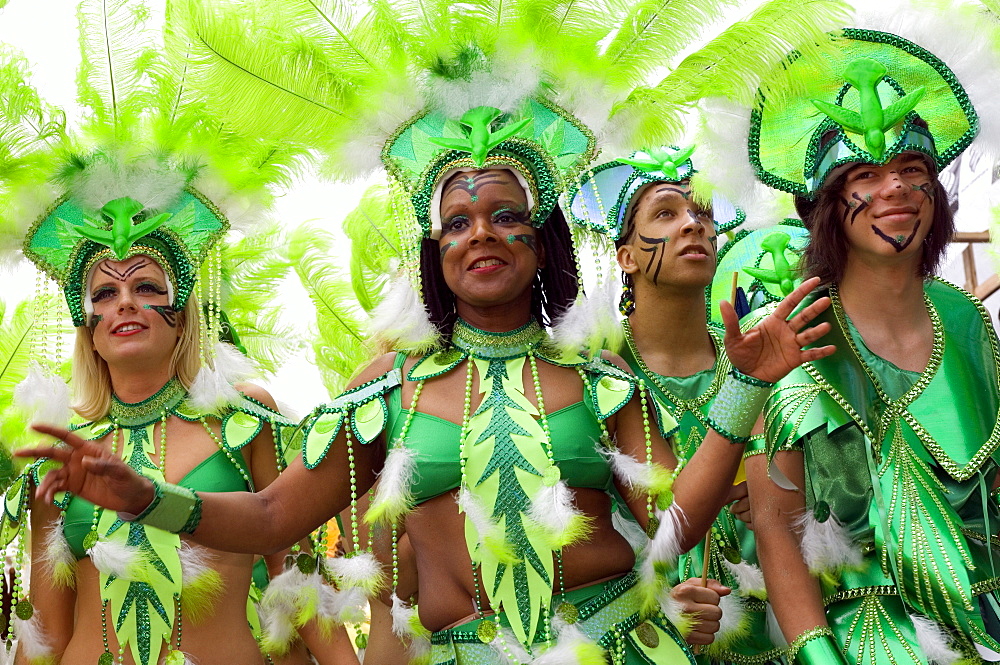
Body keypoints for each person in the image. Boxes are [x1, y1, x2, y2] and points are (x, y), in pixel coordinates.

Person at [21, 84, 836, 665]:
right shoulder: (388, 393)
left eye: (505, 213)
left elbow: (671, 525)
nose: (480, 233)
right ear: (434, 253)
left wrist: (745, 384)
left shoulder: (600, 377)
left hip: (620, 645)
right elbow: (272, 515)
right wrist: (144, 498)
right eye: (456, 221)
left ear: (540, 240)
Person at [730, 16, 1000, 664]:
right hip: (867, 642)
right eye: (865, 174)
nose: (897, 188)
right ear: (822, 205)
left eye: (912, 167)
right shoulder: (792, 338)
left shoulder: (967, 321)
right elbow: (775, 524)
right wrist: (822, 656)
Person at [569, 145, 783, 663]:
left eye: (703, 214)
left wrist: (782, 500)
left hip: (783, 635)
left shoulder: (764, 357)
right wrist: (658, 607)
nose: (693, 224)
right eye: (666, 212)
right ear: (626, 256)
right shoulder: (590, 372)